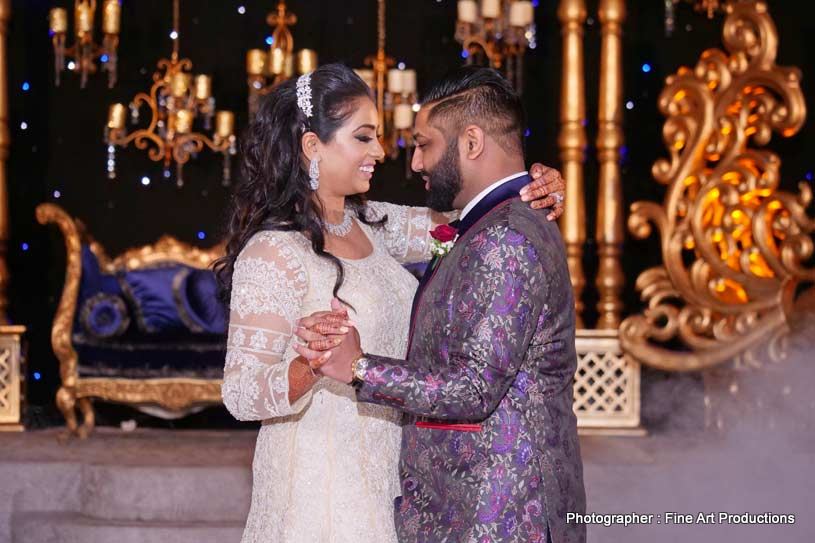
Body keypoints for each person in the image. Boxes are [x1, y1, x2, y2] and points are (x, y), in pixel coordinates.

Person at [213, 63, 566, 543]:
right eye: (363, 137)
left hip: (391, 482)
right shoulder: (274, 251)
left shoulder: (376, 224)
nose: (382, 151)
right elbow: (239, 395)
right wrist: (312, 365)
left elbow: (478, 218)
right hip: (321, 494)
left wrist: (534, 185)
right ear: (313, 146)